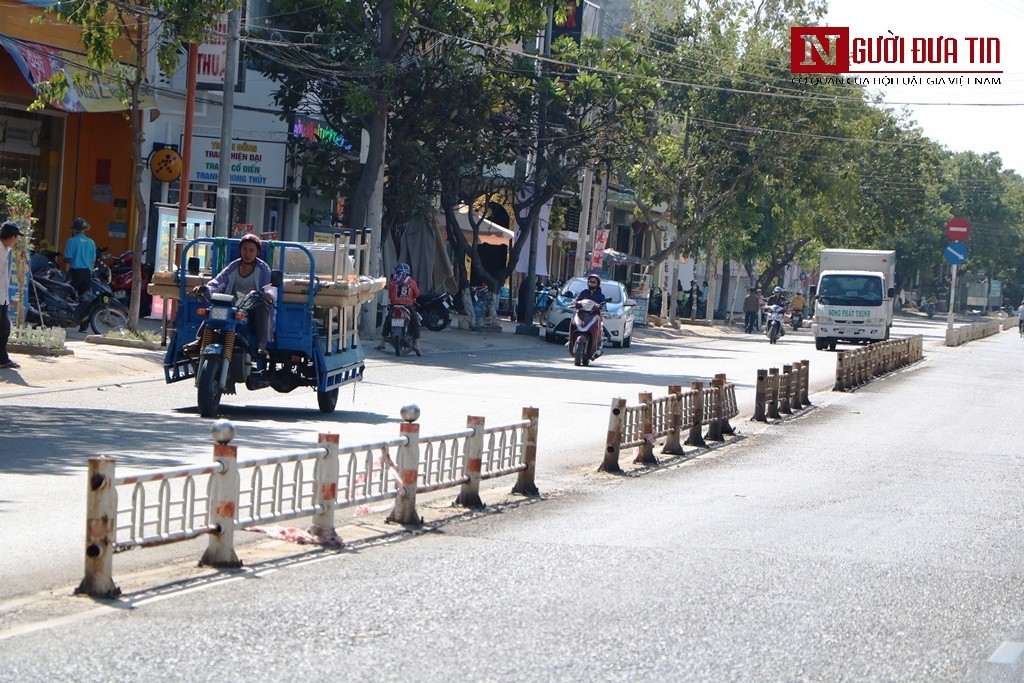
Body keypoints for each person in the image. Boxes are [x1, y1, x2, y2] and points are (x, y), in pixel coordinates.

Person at [182, 233, 277, 357]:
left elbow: (270, 287)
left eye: (251, 250)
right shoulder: (233, 266)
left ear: (257, 252)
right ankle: (200, 340)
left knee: (262, 307)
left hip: (252, 306)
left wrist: (269, 294)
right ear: (240, 250)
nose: (247, 253)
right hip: (232, 305)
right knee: (213, 309)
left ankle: (261, 346)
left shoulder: (263, 268)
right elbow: (217, 282)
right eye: (244, 249)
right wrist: (206, 289)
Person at [376, 262, 422, 356]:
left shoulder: (393, 282)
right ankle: (417, 345)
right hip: (407, 306)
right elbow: (417, 294)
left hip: (395, 306)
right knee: (415, 323)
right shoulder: (412, 283)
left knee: (387, 322)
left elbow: (390, 295)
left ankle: (382, 343)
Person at [0, 221, 23, 370]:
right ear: (12, 237)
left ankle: (3, 359)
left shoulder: (6, 250)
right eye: (16, 237)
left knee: (4, 328)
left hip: (2, 296)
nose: (16, 241)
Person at [573, 273, 607, 355]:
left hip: (594, 316)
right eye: (590, 281)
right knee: (573, 322)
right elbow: (576, 300)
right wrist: (575, 303)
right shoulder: (584, 292)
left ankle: (598, 343)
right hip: (582, 314)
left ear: (598, 284)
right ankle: (571, 340)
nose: (591, 283)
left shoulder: (600, 295)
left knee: (600, 324)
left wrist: (601, 307)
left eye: (594, 282)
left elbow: (604, 305)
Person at [63, 217, 95, 297]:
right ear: (84, 229)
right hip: (87, 273)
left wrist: (66, 273)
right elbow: (93, 260)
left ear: (74, 229)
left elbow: (68, 260)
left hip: (75, 273)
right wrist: (90, 272)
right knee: (84, 298)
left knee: (68, 297)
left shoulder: (71, 241)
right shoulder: (91, 242)